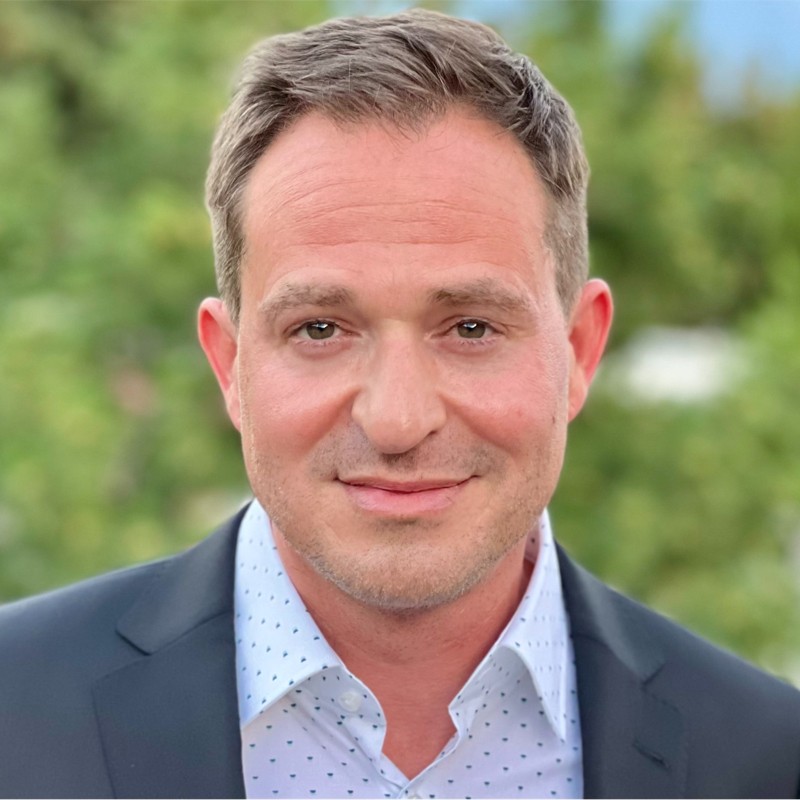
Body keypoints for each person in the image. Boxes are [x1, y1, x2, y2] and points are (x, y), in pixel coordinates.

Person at [1, 8, 799, 799]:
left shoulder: (766, 759)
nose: (397, 419)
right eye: (320, 328)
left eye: (471, 327)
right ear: (230, 364)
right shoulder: (15, 713)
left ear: (579, 350)